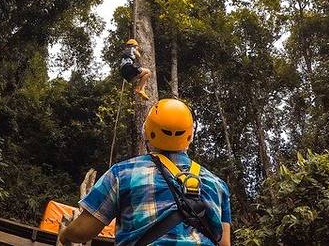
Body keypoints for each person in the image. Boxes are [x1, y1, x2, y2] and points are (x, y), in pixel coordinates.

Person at [59, 99, 232, 245]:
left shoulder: (122, 173)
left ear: (147, 131)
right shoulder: (218, 185)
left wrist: (65, 235)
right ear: (190, 136)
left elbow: (81, 232)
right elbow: (224, 243)